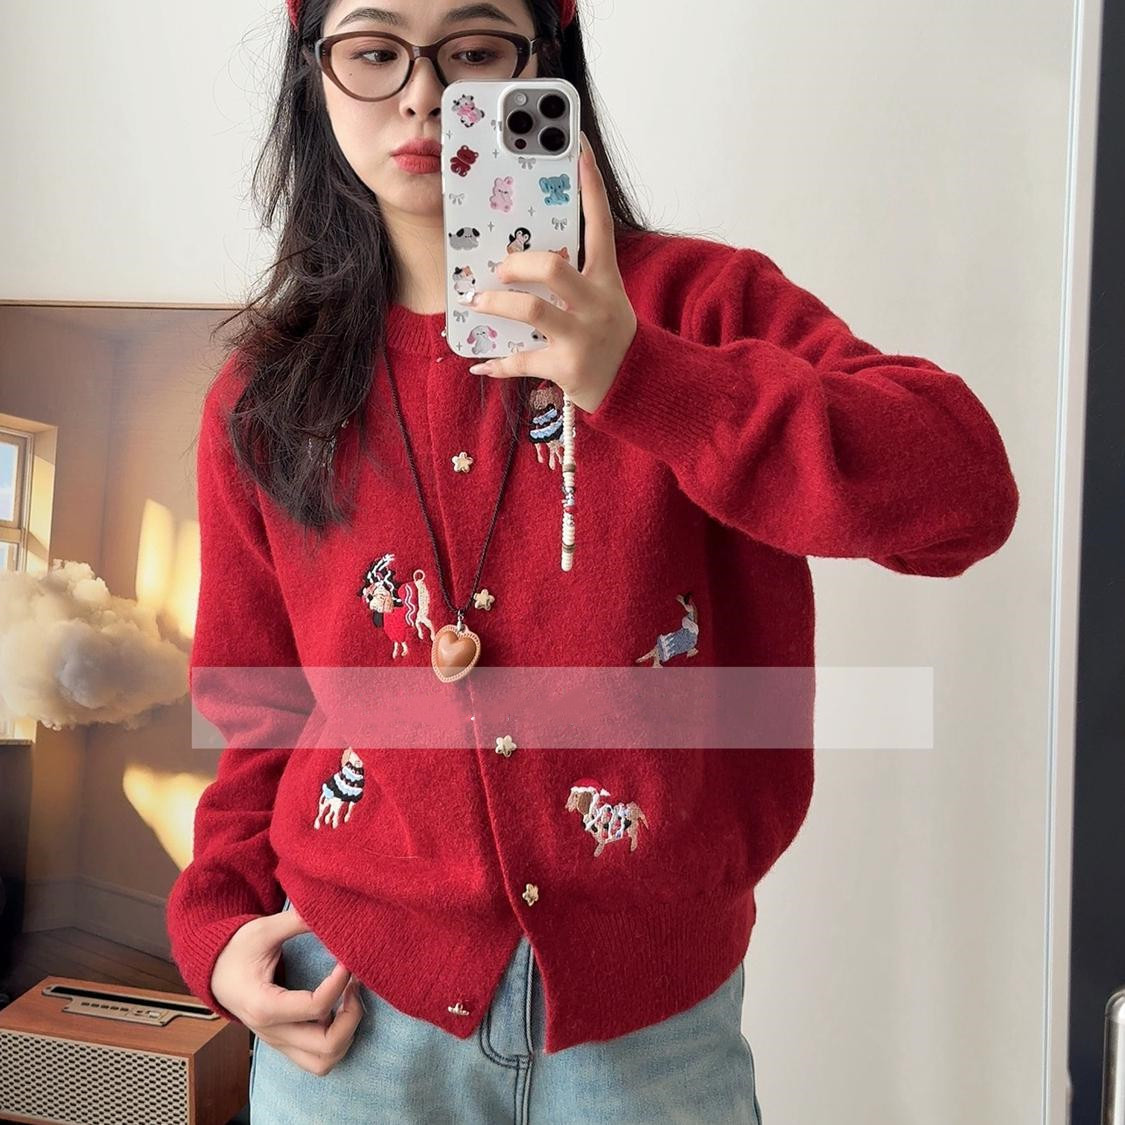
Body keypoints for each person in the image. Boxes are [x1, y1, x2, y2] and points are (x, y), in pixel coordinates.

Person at [166, 0, 1021, 1121]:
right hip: (351, 1016)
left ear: (546, 62)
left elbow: (964, 496)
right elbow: (257, 709)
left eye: (474, 51)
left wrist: (642, 376)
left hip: (651, 1032)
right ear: (312, 74)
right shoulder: (264, 397)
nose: (424, 96)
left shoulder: (699, 309)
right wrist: (219, 929)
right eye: (373, 52)